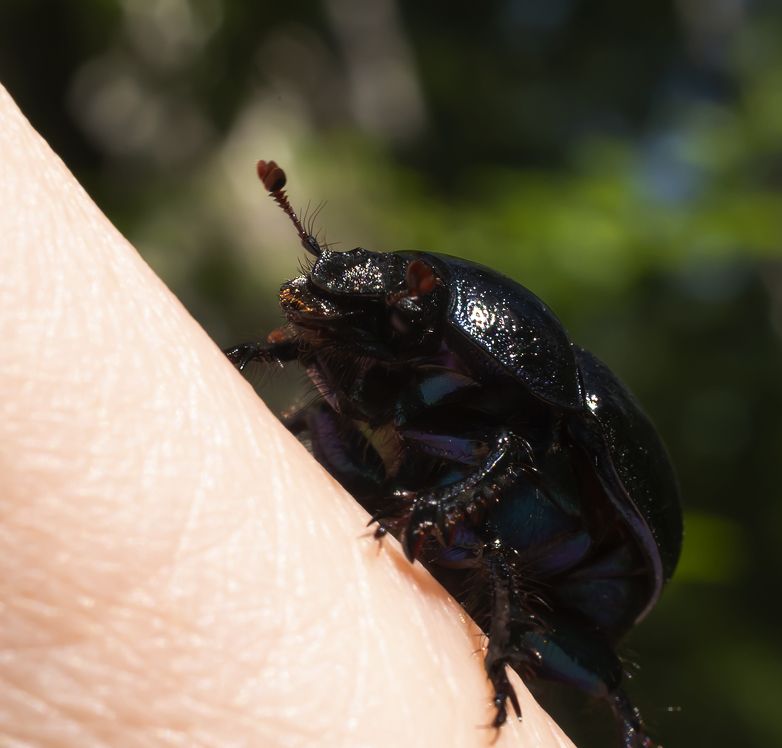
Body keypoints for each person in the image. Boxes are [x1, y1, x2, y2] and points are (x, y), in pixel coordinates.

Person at [0, 85, 571, 748]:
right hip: (435, 503)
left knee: (495, 552)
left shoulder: (512, 406)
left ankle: (517, 675)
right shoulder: (411, 371)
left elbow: (513, 447)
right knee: (312, 418)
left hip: (519, 535)